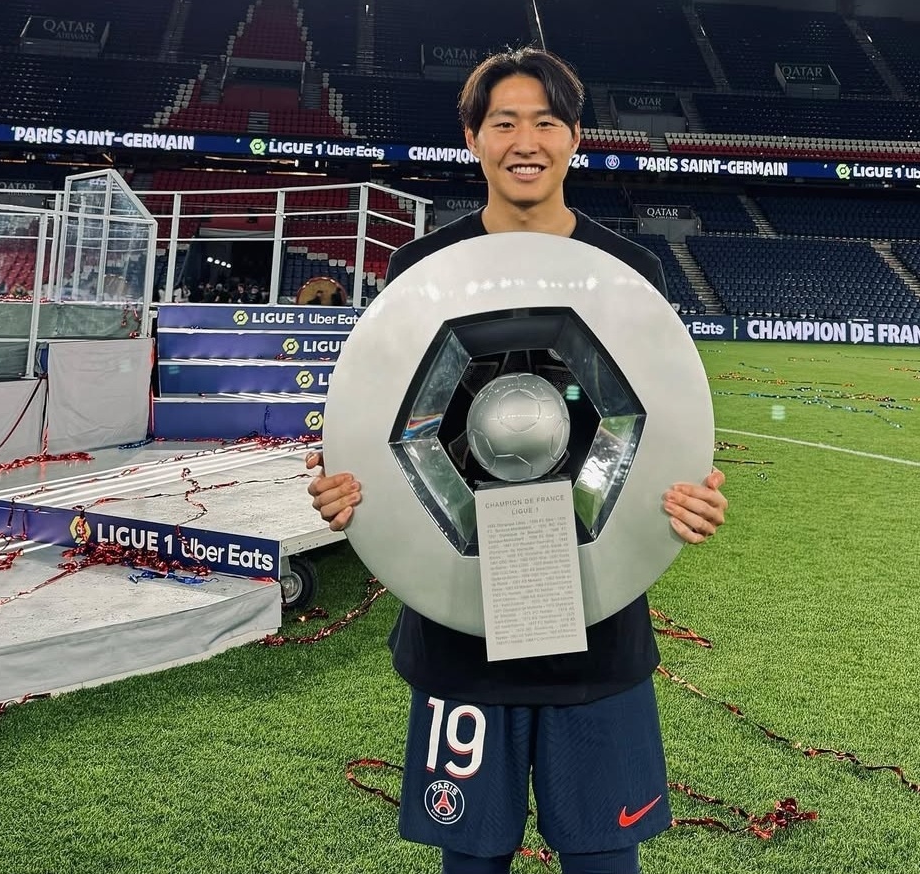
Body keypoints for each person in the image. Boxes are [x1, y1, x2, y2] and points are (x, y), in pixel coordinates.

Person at [306, 48, 728, 874]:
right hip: (461, 629)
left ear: (574, 137)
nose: (525, 141)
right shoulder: (419, 273)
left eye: (545, 122)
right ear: (473, 138)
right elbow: (380, 421)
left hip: (597, 634)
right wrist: (348, 492)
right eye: (504, 122)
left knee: (604, 858)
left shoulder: (630, 272)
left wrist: (691, 498)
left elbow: (659, 430)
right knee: (471, 859)